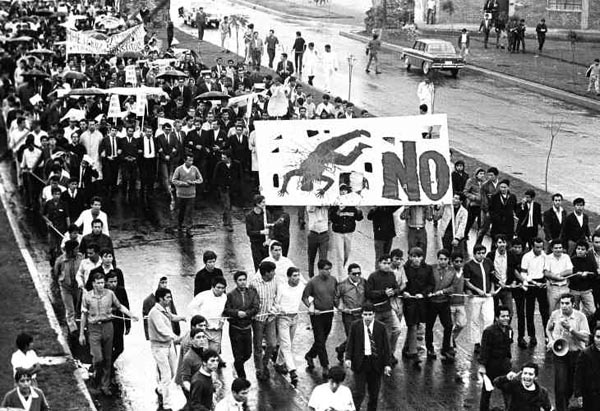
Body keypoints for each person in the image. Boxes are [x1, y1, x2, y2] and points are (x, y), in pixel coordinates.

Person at [79, 272, 138, 396]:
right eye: (98, 283)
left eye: (102, 282)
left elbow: (120, 306)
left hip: (108, 327)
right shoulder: (87, 297)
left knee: (107, 358)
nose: (100, 285)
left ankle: (105, 386)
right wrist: (81, 334)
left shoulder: (110, 294)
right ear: (93, 284)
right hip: (94, 328)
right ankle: (96, 376)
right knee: (98, 358)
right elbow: (84, 315)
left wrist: (131, 315)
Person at [546, 293, 590, 411]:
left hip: (576, 354)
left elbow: (586, 338)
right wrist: (550, 340)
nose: (564, 306)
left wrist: (570, 329)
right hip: (560, 354)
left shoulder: (580, 317)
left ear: (573, 304)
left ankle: (566, 404)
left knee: (571, 386)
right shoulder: (555, 314)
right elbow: (548, 328)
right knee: (560, 386)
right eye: (562, 303)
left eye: (567, 303)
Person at [345, 302, 392, 411]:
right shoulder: (355, 326)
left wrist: (387, 364)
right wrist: (348, 358)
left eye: (370, 314)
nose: (367, 317)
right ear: (361, 314)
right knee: (359, 393)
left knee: (374, 394)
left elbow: (386, 347)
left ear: (374, 314)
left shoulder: (381, 327)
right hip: (360, 363)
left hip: (375, 364)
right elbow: (350, 343)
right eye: (365, 314)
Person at [302, 259, 338, 378]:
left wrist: (339, 306)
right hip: (317, 315)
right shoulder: (313, 282)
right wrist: (311, 307)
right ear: (320, 269)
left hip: (329, 313)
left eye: (329, 269)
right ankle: (325, 365)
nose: (328, 272)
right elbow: (305, 297)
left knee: (323, 338)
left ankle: (310, 355)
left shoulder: (333, 280)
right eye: (326, 269)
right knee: (320, 340)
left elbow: (336, 296)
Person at [148, 287, 180, 410]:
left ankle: (160, 389)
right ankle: (167, 404)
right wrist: (175, 337)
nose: (170, 299)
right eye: (168, 297)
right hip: (159, 347)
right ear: (161, 299)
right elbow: (162, 329)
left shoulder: (164, 309)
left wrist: (182, 317)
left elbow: (171, 317)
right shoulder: (154, 312)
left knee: (172, 373)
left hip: (168, 345)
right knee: (166, 376)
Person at [366, 254, 402, 363]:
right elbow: (368, 293)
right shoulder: (373, 276)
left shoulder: (391, 275)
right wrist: (383, 293)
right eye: (384, 263)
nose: (387, 266)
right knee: (375, 335)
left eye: (389, 263)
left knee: (394, 331)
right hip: (376, 311)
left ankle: (389, 354)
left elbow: (397, 288)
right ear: (379, 263)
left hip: (387, 310)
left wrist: (393, 292)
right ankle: (374, 356)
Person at [224, 270, 259, 379]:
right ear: (235, 281)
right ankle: (242, 377)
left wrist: (247, 314)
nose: (242, 282)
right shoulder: (230, 295)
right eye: (240, 280)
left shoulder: (252, 293)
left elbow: (256, 307)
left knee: (248, 353)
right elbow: (226, 310)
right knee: (238, 355)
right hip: (235, 329)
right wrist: (237, 313)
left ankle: (238, 365)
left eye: (244, 280)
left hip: (247, 328)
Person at [274, 266, 305, 386]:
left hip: (295, 318)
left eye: (298, 275)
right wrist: (280, 309)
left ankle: (278, 363)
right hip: (283, 319)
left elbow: (308, 296)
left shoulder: (301, 286)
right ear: (288, 277)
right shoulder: (282, 288)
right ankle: (292, 371)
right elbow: (276, 302)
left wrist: (312, 305)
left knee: (288, 343)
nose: (297, 278)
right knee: (286, 345)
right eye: (294, 276)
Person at [402, 247, 435, 363]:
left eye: (418, 256)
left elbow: (431, 284)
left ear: (422, 257)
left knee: (417, 323)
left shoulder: (428, 269)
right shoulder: (405, 268)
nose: (416, 259)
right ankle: (413, 352)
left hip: (421, 301)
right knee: (412, 324)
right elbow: (401, 283)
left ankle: (407, 347)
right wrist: (403, 292)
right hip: (409, 301)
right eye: (413, 256)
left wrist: (423, 294)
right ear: (409, 257)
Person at [478, 305, 513, 411]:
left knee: (508, 390)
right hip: (491, 365)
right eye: (503, 316)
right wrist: (482, 366)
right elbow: (484, 349)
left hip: (505, 364)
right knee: (487, 391)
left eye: (507, 316)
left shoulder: (509, 330)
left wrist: (509, 361)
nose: (506, 318)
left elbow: (508, 347)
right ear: (497, 318)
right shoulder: (489, 331)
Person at [426, 249, 457, 360]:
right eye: (440, 259)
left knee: (448, 326)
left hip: (444, 303)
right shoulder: (431, 268)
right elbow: (427, 282)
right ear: (437, 259)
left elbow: (454, 287)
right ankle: (429, 349)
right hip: (432, 303)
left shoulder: (452, 271)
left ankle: (445, 348)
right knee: (429, 326)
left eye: (445, 259)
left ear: (448, 260)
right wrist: (428, 292)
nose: (442, 261)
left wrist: (443, 291)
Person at [464, 244, 496, 353]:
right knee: (475, 319)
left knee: (489, 319)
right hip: (476, 297)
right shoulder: (468, 265)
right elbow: (467, 282)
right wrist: (477, 290)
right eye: (479, 253)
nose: (481, 256)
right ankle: (477, 343)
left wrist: (491, 289)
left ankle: (486, 341)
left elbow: (492, 277)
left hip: (487, 296)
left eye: (483, 253)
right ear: (474, 254)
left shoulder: (488, 262)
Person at [250, 261, 278, 381]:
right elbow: (250, 301)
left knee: (272, 344)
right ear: (266, 273)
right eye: (272, 271)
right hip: (258, 319)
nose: (274, 273)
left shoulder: (274, 281)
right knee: (257, 345)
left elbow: (276, 297)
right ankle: (259, 369)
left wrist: (275, 309)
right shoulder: (254, 284)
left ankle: (265, 363)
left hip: (270, 317)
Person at [520, 237, 550, 346]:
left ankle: (547, 336)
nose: (539, 249)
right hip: (531, 285)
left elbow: (546, 271)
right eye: (537, 247)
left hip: (541, 284)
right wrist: (532, 282)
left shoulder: (545, 256)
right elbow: (523, 274)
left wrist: (545, 282)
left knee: (544, 311)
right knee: (529, 311)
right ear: (532, 246)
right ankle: (532, 336)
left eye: (541, 247)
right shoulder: (526, 257)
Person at [334, 263, 366, 363]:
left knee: (361, 336)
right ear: (349, 274)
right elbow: (335, 298)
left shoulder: (364, 282)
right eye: (354, 274)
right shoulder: (342, 285)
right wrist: (342, 307)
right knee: (352, 336)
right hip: (349, 315)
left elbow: (369, 294)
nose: (357, 276)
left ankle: (341, 349)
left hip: (362, 314)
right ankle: (355, 359)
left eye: (359, 273)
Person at [187, 276, 228, 355]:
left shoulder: (225, 297)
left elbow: (225, 311)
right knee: (202, 354)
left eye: (223, 288)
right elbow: (191, 307)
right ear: (212, 287)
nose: (220, 290)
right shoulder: (203, 295)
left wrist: (222, 321)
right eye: (218, 287)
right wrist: (201, 320)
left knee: (214, 355)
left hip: (217, 331)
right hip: (204, 330)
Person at [328, 192, 363, 280]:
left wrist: (358, 210)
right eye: (342, 192)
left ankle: (343, 268)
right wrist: (338, 210)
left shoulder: (352, 205)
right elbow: (332, 218)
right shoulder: (335, 204)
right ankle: (341, 277)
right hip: (338, 233)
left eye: (345, 192)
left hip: (349, 232)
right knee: (340, 255)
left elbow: (359, 218)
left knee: (347, 253)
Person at [53, 240, 82, 334]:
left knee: (79, 307)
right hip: (66, 288)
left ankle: (81, 326)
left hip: (78, 288)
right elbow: (56, 273)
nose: (78, 250)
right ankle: (73, 330)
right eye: (76, 249)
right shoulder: (60, 260)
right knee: (70, 309)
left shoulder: (81, 258)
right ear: (70, 250)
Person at [105, 270, 131, 374]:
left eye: (115, 281)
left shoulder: (121, 291)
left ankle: (109, 364)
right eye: (111, 282)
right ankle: (107, 367)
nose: (113, 284)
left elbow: (126, 306)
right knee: (109, 347)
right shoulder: (103, 291)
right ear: (106, 282)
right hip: (107, 323)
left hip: (119, 323)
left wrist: (128, 324)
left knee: (120, 348)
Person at [172, 154, 203, 236]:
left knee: (189, 212)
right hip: (181, 195)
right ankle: (179, 224)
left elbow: (200, 179)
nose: (191, 162)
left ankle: (189, 229)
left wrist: (194, 182)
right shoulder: (179, 169)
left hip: (191, 195)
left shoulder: (195, 169)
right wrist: (183, 184)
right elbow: (174, 180)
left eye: (192, 161)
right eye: (189, 160)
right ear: (185, 160)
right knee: (181, 211)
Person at [143, 276, 182, 340]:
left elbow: (173, 312)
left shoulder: (168, 297)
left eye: (166, 282)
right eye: (162, 283)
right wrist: (148, 337)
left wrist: (177, 331)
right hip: (157, 336)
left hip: (170, 332)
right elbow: (146, 321)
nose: (165, 285)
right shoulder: (148, 301)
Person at [574, 325, 600, 411]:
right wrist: (578, 394)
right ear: (594, 337)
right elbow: (578, 375)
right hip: (590, 395)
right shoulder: (585, 354)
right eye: (598, 337)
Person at [544, 240, 573, 311]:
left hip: (565, 287)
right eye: (556, 248)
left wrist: (559, 274)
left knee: (566, 310)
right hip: (553, 288)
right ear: (552, 249)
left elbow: (570, 271)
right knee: (552, 311)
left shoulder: (566, 257)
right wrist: (556, 277)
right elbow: (546, 272)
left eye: (560, 248)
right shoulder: (548, 258)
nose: (558, 250)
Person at [246, 194, 269, 271]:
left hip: (266, 244)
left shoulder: (266, 214)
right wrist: (261, 232)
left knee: (267, 265)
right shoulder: (249, 216)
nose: (264, 204)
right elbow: (249, 232)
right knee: (258, 265)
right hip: (256, 244)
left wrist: (269, 238)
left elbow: (271, 228)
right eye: (262, 202)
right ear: (257, 203)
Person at [450, 253, 467, 349]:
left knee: (462, 323)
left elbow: (466, 284)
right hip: (450, 303)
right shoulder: (449, 272)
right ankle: (449, 346)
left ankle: (452, 337)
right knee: (450, 325)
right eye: (456, 261)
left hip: (460, 302)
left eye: (461, 261)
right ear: (452, 262)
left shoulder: (464, 273)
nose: (459, 263)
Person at [307, 205, 329, 277]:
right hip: (313, 233)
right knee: (311, 257)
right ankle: (311, 276)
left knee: (323, 258)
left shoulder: (325, 206)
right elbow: (310, 208)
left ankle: (321, 277)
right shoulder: (310, 205)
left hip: (324, 233)